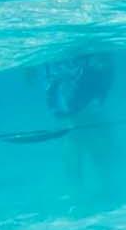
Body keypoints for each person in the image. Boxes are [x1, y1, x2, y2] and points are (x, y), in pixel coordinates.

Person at [42, 53, 117, 193]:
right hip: (70, 73)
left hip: (78, 71)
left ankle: (95, 187)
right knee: (74, 133)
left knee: (80, 132)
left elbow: (104, 63)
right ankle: (85, 189)